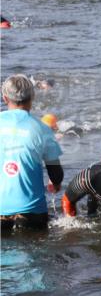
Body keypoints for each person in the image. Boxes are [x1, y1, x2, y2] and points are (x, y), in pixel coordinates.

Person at [0, 74, 63, 231]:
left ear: (5, 98)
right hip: (32, 213)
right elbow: (56, 173)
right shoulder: (43, 129)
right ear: (32, 97)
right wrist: (55, 184)